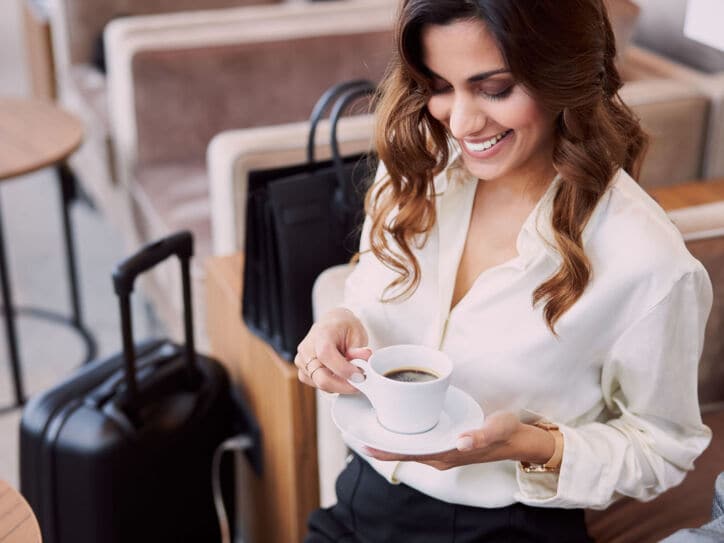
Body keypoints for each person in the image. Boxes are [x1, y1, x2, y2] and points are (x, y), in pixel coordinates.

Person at [295, 1, 713, 541]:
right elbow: (367, 289)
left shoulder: (647, 262)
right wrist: (339, 323)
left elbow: (664, 450)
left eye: (494, 89)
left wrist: (536, 447)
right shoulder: (416, 173)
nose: (462, 121)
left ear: (563, 76)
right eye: (439, 85)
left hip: (507, 527)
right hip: (360, 500)